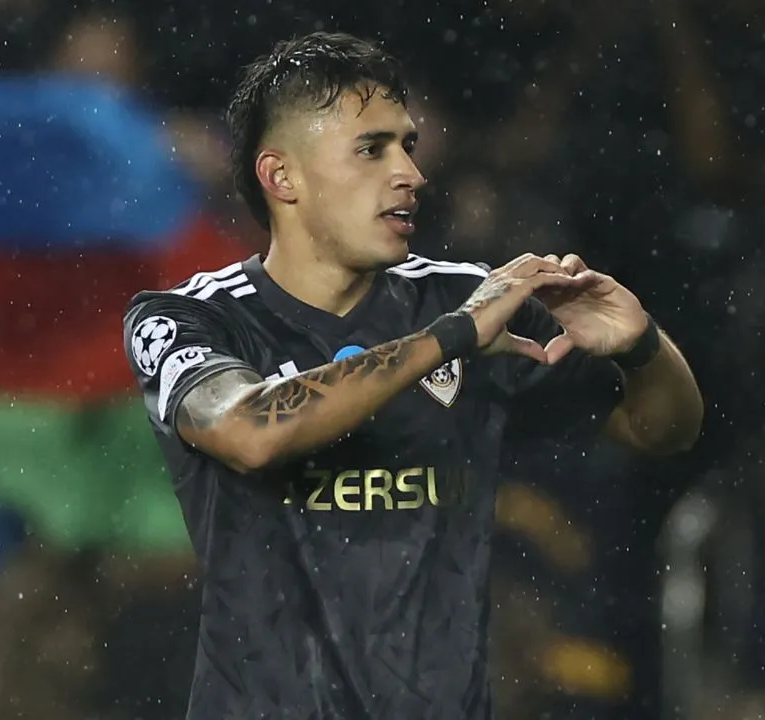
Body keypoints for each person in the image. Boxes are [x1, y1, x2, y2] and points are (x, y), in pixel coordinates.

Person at [121, 31, 703, 720]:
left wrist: (641, 347)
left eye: (409, 146)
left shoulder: (470, 296)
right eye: (372, 149)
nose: (411, 174)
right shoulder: (188, 317)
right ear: (282, 178)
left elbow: (658, 431)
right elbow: (246, 431)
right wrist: (450, 340)